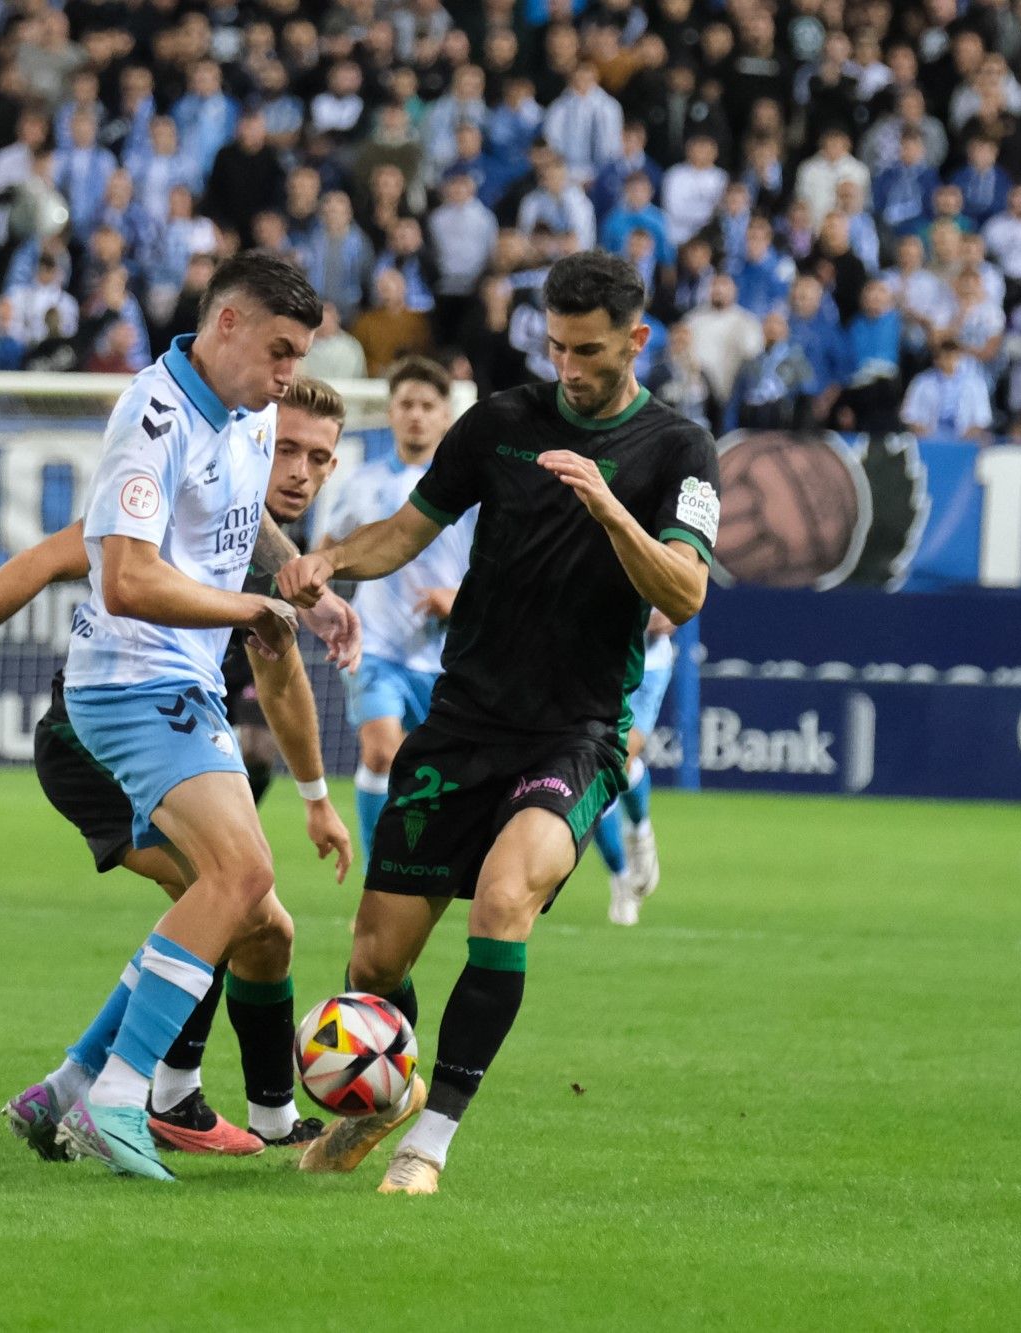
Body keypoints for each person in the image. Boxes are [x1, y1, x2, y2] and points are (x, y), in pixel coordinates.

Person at [277, 251, 720, 1195]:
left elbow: (685, 592)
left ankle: (428, 1143)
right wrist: (330, 561)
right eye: (556, 345)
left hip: (575, 733)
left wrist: (611, 511)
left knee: (503, 897)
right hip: (463, 723)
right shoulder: (499, 423)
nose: (568, 366)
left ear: (636, 341)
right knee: (374, 959)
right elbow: (407, 530)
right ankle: (389, 1096)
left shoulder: (680, 450)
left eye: (588, 350)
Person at [0, 379, 361, 1159]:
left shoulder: (258, 551)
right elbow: (40, 561)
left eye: (318, 457)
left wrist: (316, 797)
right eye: (286, 448)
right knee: (229, 895)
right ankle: (157, 1096)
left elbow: (281, 680)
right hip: (92, 743)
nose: (299, 470)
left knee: (263, 923)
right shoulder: (159, 507)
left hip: (166, 731)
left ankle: (224, 1109)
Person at [1, 252, 327, 1181]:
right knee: (241, 874)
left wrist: (298, 579)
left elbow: (244, 524)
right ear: (225, 323)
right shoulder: (152, 416)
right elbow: (127, 579)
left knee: (243, 904)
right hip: (131, 680)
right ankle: (123, 1097)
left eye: (298, 357)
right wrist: (253, 608)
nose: (286, 375)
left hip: (184, 686)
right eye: (277, 350)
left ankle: (71, 1083)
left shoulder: (249, 409)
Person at [317, 356, 474, 868]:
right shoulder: (362, 483)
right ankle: (376, 874)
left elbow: (500, 572)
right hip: (377, 646)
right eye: (406, 404)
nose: (416, 415)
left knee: (441, 772)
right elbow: (323, 553)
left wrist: (458, 597)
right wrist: (321, 604)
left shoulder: (471, 490)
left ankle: (426, 865)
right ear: (390, 413)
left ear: (446, 416)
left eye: (428, 405)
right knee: (381, 753)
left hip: (445, 656)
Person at [598, 611, 678, 926]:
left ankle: (640, 832)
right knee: (596, 774)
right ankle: (621, 878)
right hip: (595, 667)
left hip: (647, 666)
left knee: (616, 763)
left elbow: (675, 613)